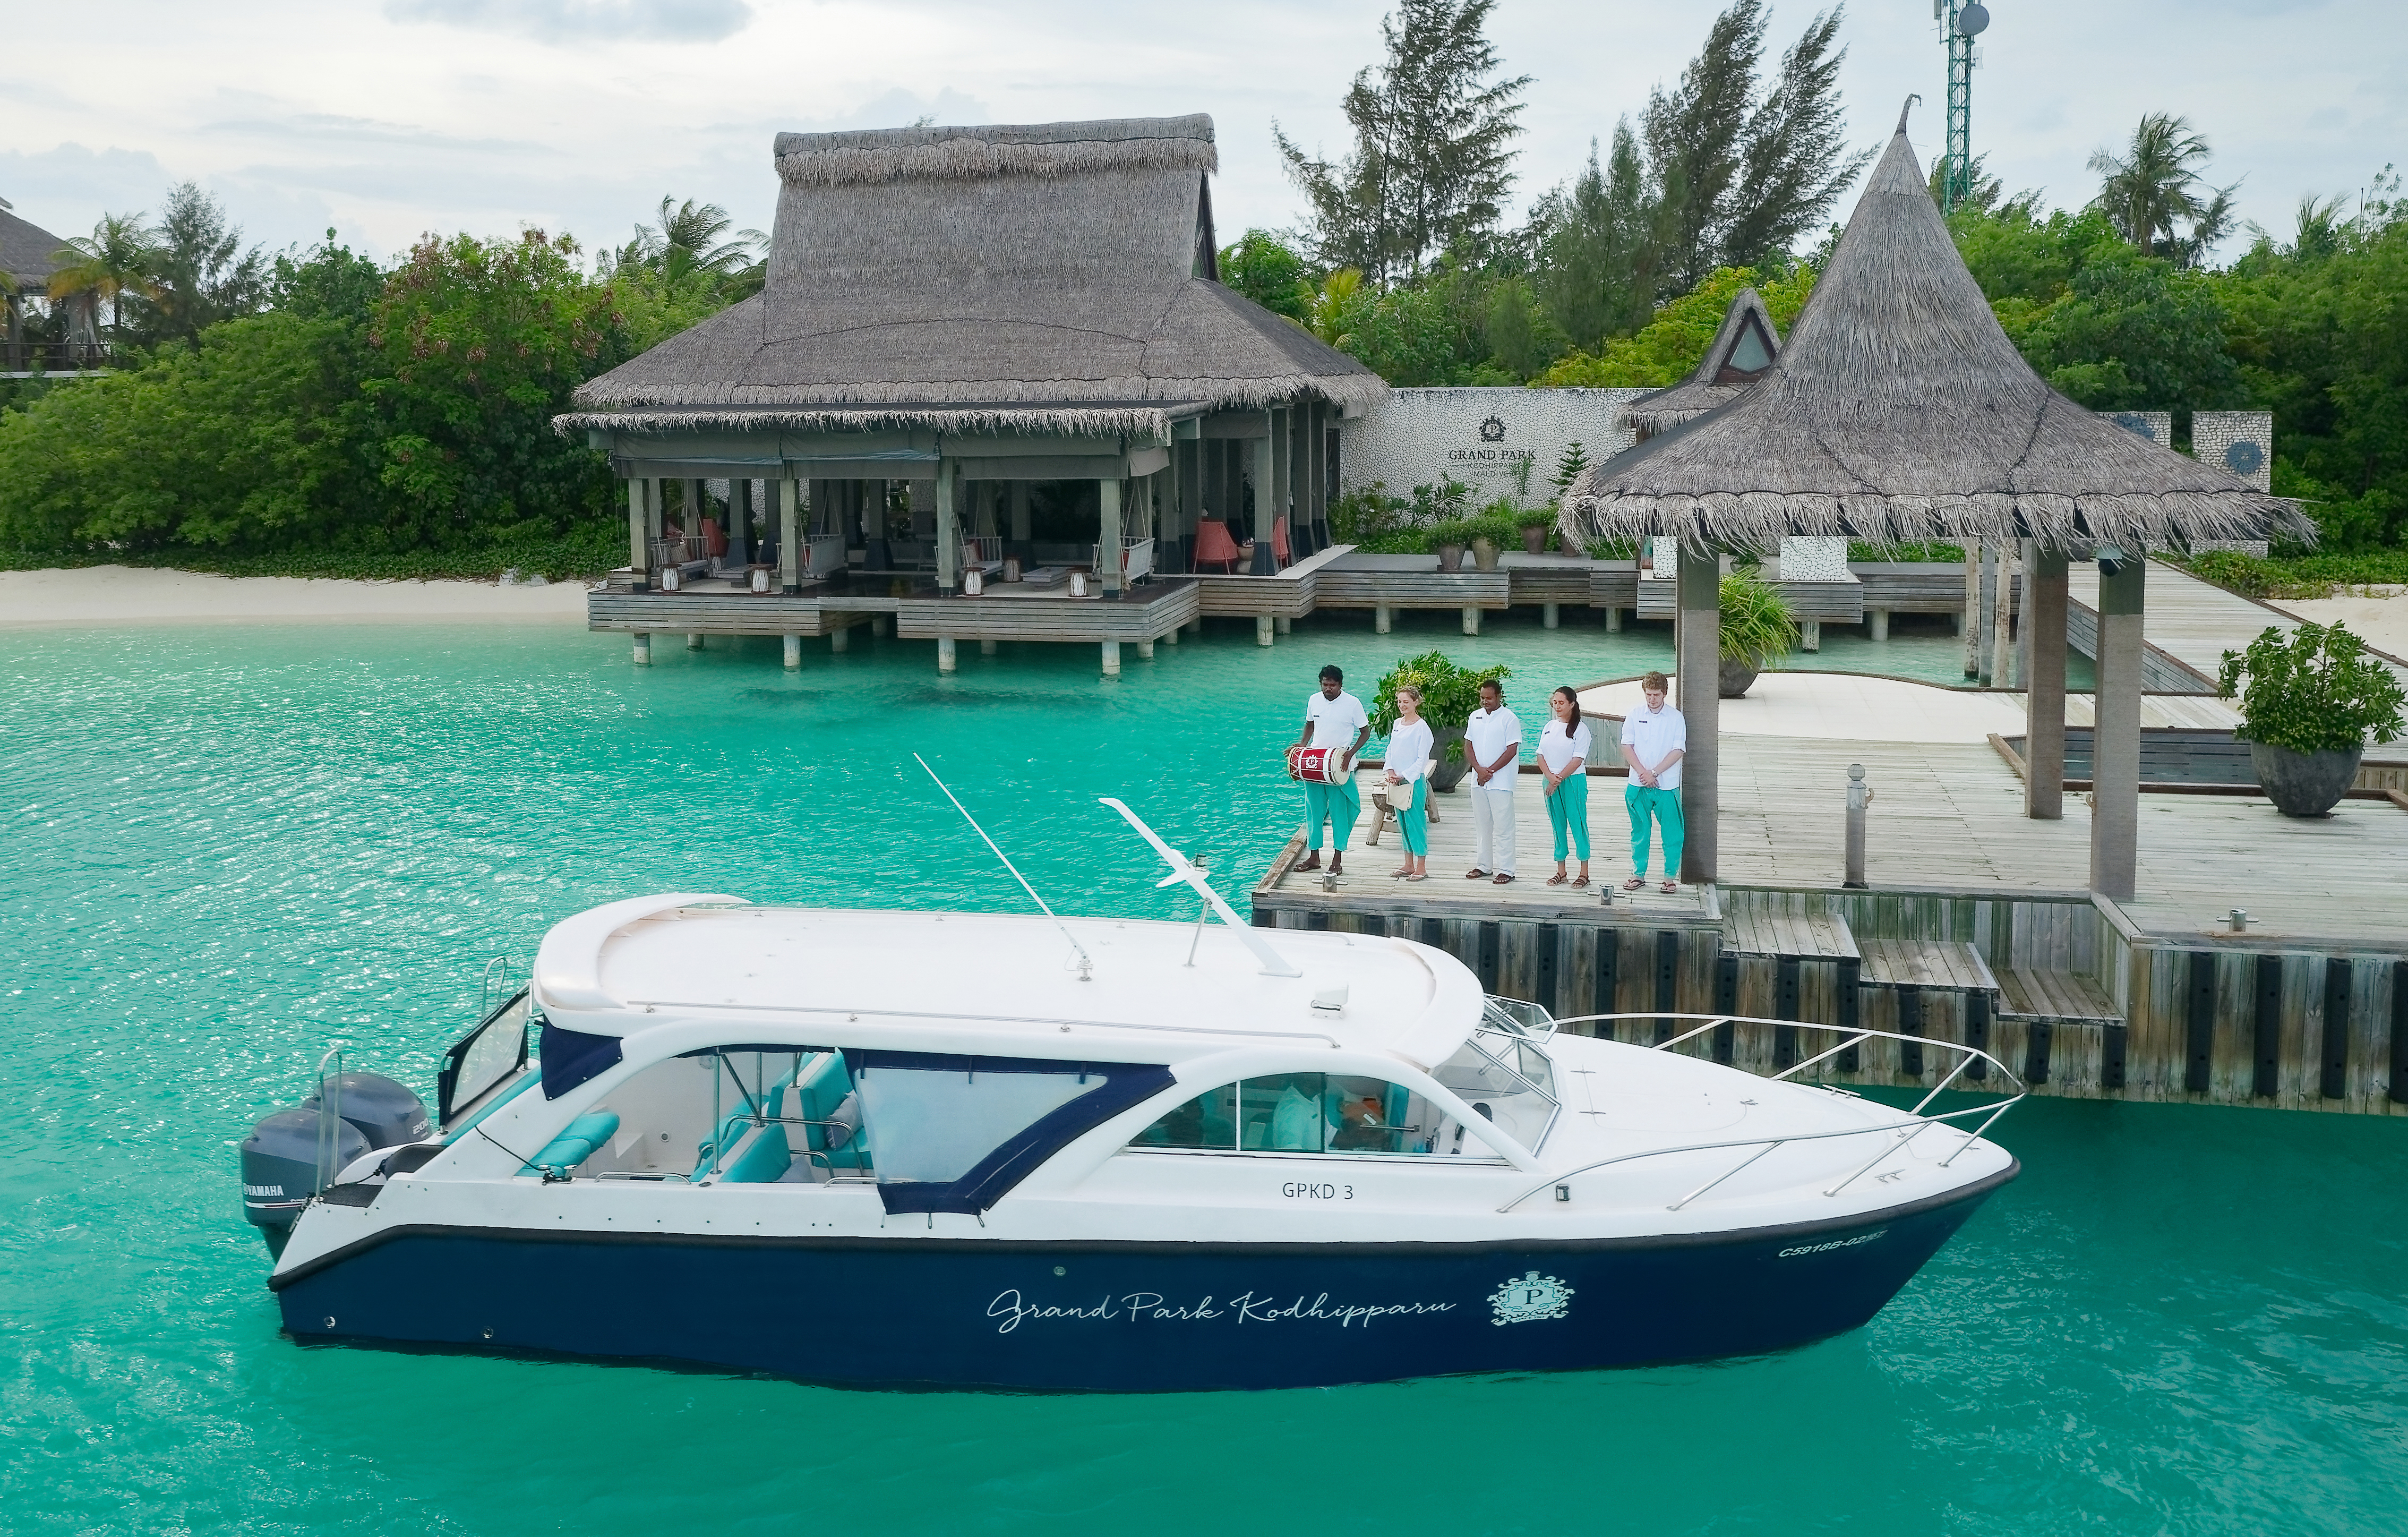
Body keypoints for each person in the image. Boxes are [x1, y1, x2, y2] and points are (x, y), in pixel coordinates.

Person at [1293, 664, 1372, 875]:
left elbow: (1365, 732)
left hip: (1339, 765)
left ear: (1341, 685)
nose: (1328, 689)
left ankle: (1337, 859)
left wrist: (1351, 753)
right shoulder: (1314, 700)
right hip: (1316, 764)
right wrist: (1303, 745)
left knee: (1341, 813)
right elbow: (1310, 724)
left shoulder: (1353, 703)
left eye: (1333, 685)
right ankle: (1314, 857)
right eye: (1325, 684)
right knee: (1313, 812)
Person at [1621, 670, 1686, 894]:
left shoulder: (1676, 718)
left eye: (1657, 695)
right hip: (1638, 783)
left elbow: (1678, 750)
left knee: (1672, 832)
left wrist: (1655, 773)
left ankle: (1669, 877)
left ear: (1665, 694)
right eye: (1649, 694)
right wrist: (1643, 773)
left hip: (1666, 785)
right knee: (1639, 830)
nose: (1652, 699)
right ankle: (1638, 874)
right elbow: (1626, 746)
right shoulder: (1634, 714)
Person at [1463, 678, 1520, 885]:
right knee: (1482, 824)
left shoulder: (1509, 719)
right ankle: (1484, 865)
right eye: (1482, 698)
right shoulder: (1475, 717)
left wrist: (1491, 771)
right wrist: (1479, 770)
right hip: (1478, 780)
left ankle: (1507, 869)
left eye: (1489, 698)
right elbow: (1468, 745)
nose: (1485, 702)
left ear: (1498, 697)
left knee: (1504, 826)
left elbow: (1512, 749)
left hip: (1501, 782)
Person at [1539, 685, 1593, 888]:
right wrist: (1549, 777)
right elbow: (1540, 754)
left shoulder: (1581, 729)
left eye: (1562, 703)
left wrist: (1558, 779)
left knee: (1578, 824)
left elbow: (1577, 759)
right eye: (1555, 702)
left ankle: (1584, 872)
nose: (1557, 706)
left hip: (1572, 782)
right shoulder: (1550, 726)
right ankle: (1561, 871)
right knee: (1557, 825)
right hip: (1551, 780)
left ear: (1572, 704)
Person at [1384, 685, 1433, 881]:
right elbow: (1391, 750)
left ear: (1415, 702)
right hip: (1397, 781)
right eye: (1399, 701)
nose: (1402, 705)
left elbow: (1422, 759)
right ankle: (1408, 864)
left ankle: (1421, 867)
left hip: (1413, 782)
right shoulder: (1397, 723)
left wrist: (1403, 775)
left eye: (1406, 702)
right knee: (1402, 824)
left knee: (1416, 823)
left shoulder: (1422, 728)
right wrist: (1390, 771)